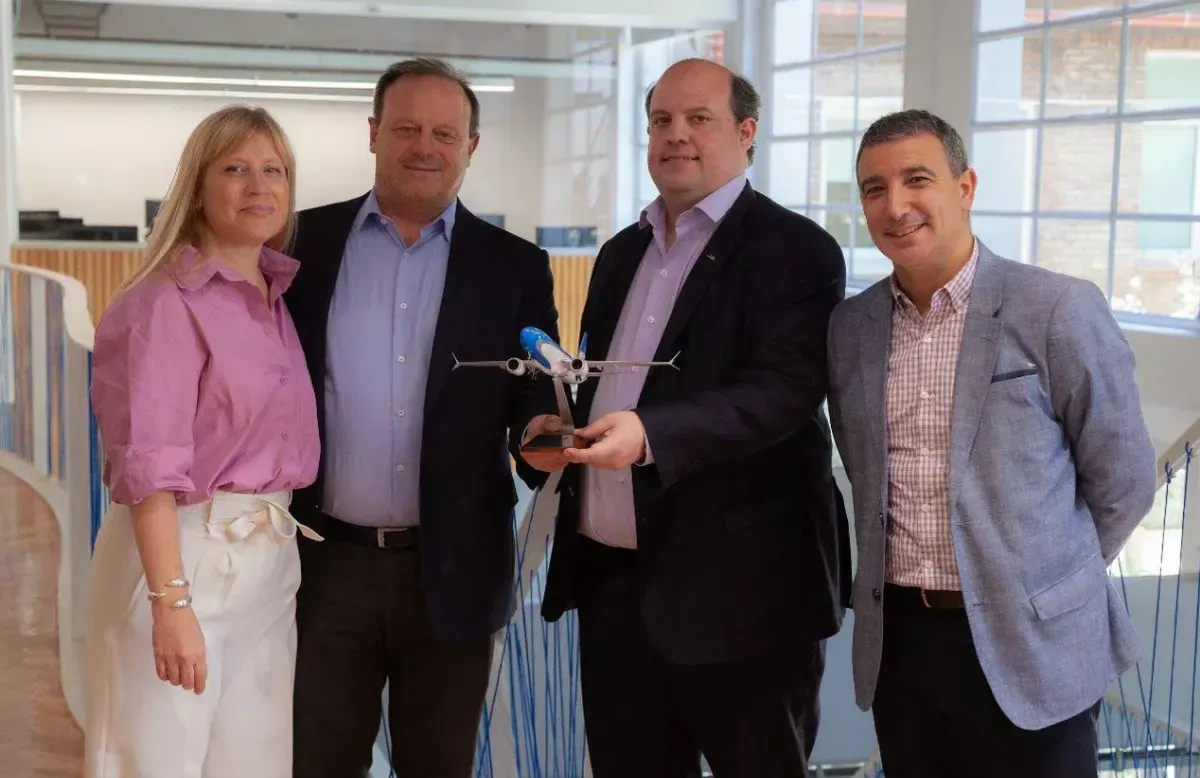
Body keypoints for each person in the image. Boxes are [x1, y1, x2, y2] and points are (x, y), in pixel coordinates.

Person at [536, 58, 851, 778]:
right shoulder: (619, 255)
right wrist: (563, 431)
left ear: (746, 133)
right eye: (661, 121)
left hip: (744, 599)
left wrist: (651, 435)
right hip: (615, 588)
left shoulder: (796, 252)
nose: (676, 136)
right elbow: (599, 385)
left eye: (698, 119)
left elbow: (784, 391)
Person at [827, 109, 1158, 777]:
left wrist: (1043, 582)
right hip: (905, 648)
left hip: (1035, 644)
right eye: (874, 188)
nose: (896, 205)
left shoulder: (1056, 307)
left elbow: (1124, 478)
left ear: (965, 186)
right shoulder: (850, 327)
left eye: (917, 179)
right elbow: (864, 476)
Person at [283, 57, 562, 777]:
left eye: (446, 132)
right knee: (317, 759)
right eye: (406, 127)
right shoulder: (296, 247)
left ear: (472, 146)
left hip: (455, 566)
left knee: (438, 764)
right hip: (320, 563)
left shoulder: (515, 266)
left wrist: (538, 432)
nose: (425, 146)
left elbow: (531, 390)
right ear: (373, 134)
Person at [84, 105, 320, 778]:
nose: (258, 186)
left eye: (273, 170)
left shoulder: (271, 296)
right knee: (153, 759)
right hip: (181, 556)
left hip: (269, 563)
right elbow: (150, 469)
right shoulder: (162, 303)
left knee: (254, 764)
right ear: (196, 187)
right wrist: (172, 605)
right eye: (236, 169)